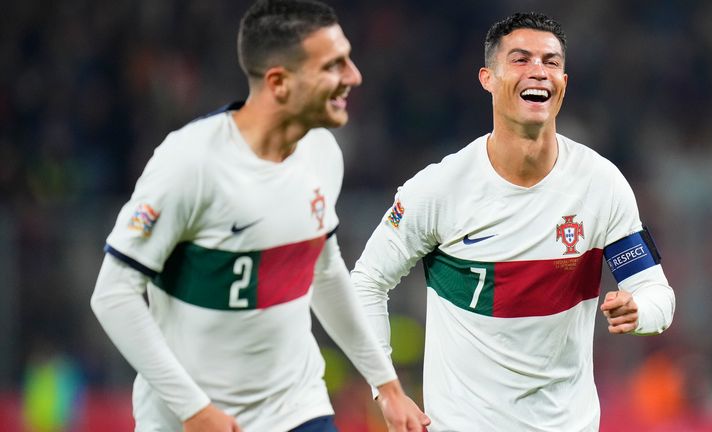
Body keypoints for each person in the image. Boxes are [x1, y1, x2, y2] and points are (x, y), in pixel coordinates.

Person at [90, 0, 430, 431]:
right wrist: (194, 409)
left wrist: (387, 386)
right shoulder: (190, 163)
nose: (353, 76)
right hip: (190, 418)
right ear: (279, 82)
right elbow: (113, 295)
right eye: (334, 65)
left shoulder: (323, 153)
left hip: (297, 409)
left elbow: (323, 273)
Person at [351, 12, 676, 432]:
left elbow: (656, 293)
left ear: (564, 82)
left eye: (551, 61)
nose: (538, 71)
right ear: (487, 77)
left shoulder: (601, 185)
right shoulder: (440, 189)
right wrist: (387, 390)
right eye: (521, 59)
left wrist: (639, 311)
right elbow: (366, 282)